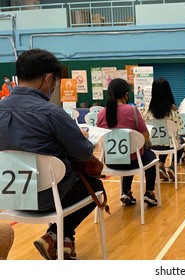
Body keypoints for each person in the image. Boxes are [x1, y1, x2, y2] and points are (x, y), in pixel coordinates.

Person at [0, 48, 103, 260]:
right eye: (55, 80)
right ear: (48, 78)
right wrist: (80, 136)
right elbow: (84, 153)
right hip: (46, 199)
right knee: (93, 186)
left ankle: (62, 241)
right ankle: (56, 235)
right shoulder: (51, 112)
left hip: (9, 198)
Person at [97, 78, 158, 207]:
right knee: (150, 156)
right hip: (133, 162)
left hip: (110, 163)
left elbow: (99, 137)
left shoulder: (101, 113)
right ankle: (149, 193)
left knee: (127, 154)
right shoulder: (132, 110)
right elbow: (145, 136)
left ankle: (126, 191)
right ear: (126, 94)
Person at [142, 77, 184, 181]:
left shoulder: (147, 108)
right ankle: (172, 166)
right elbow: (179, 126)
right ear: (168, 91)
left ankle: (161, 165)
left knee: (163, 141)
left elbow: (143, 123)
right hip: (169, 145)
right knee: (179, 140)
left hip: (152, 145)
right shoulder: (172, 108)